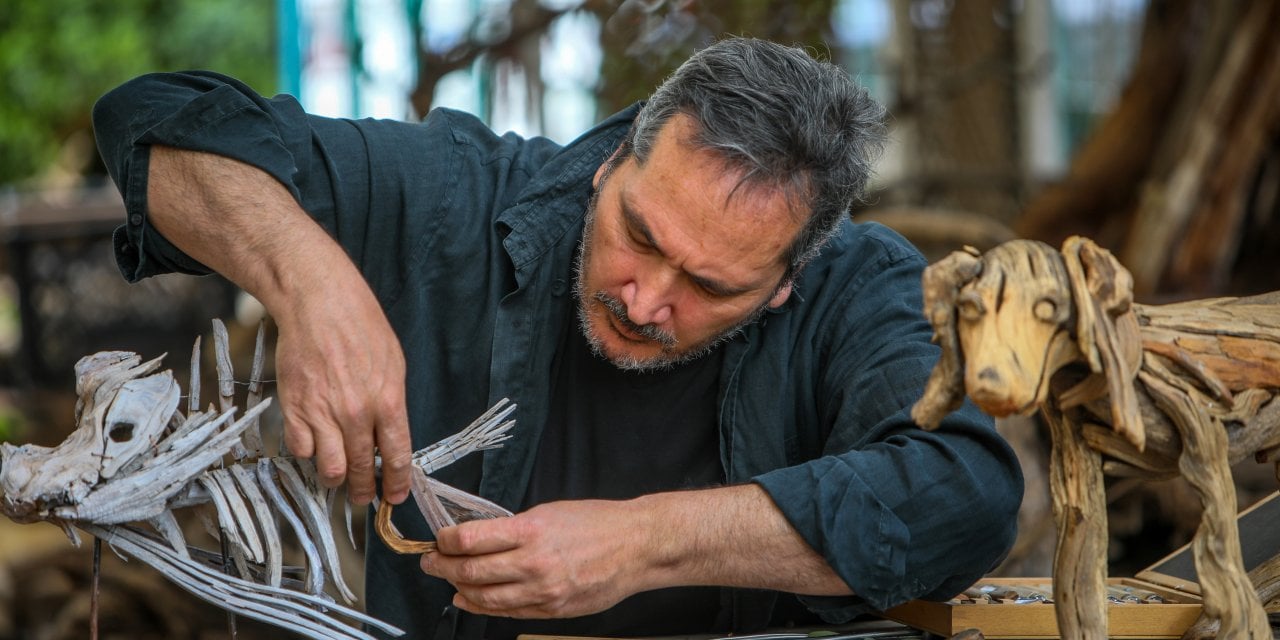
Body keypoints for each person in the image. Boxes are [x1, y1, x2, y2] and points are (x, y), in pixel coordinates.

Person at [92, 37, 1022, 639]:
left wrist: (644, 544)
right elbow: (160, 128)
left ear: (786, 284)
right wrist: (315, 283)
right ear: (611, 162)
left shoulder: (859, 286)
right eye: (641, 235)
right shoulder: (462, 194)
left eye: (710, 285)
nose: (646, 298)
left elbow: (966, 494)